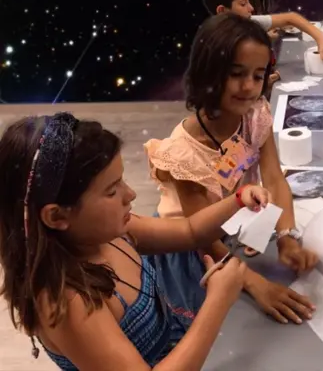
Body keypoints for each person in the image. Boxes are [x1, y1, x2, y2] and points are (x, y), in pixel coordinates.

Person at [0, 112, 271, 369]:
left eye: (122, 181)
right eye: (111, 190)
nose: (130, 194)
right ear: (57, 216)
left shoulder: (115, 233)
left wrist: (238, 200)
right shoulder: (67, 301)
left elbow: (190, 231)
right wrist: (218, 300)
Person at [145, 12, 319, 326]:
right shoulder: (181, 153)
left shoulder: (255, 115)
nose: (249, 86)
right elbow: (201, 235)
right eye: (237, 73)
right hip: (193, 249)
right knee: (211, 326)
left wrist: (286, 236)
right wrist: (257, 285)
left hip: (232, 228)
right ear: (208, 72)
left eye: (258, 74)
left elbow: (275, 178)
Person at [200, 0, 323, 63]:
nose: (251, 8)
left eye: (249, 1)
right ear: (222, 11)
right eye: (243, 3)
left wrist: (320, 37)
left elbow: (291, 17)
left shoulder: (249, 22)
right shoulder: (215, 52)